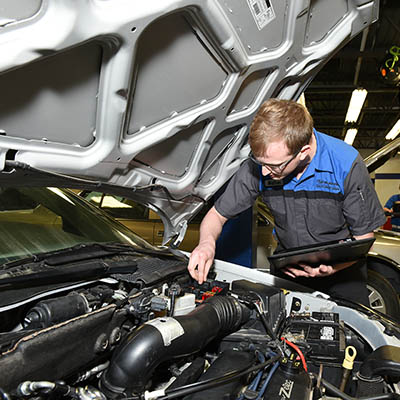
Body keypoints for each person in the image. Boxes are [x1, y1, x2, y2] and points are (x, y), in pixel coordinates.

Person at [187, 98, 386, 305]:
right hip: (289, 268)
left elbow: (364, 240)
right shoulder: (260, 167)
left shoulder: (345, 164)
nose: (264, 172)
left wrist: (333, 268)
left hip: (343, 272)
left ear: (303, 153)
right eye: (260, 163)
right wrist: (206, 244)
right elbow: (217, 215)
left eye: (275, 166)